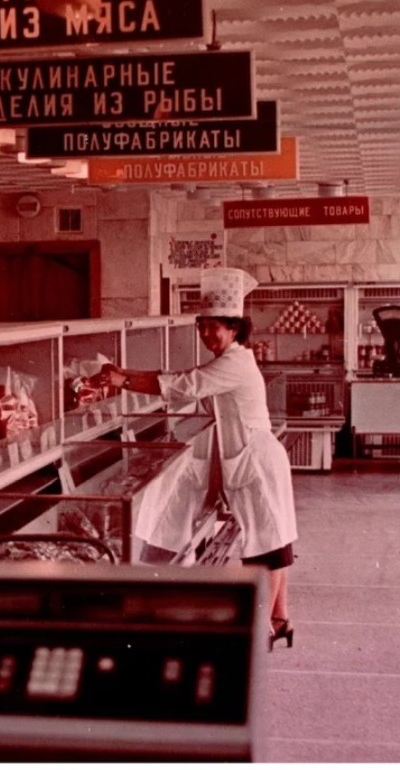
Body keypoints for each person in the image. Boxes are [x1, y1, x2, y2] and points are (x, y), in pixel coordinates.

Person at [95, 267, 298, 650]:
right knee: (275, 537)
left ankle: (263, 631)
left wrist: (123, 381)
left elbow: (185, 384)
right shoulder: (230, 359)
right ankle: (280, 618)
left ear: (234, 328)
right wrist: (124, 372)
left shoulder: (234, 362)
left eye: (213, 327)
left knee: (267, 548)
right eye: (201, 327)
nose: (206, 334)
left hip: (257, 462)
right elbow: (182, 378)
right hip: (252, 458)